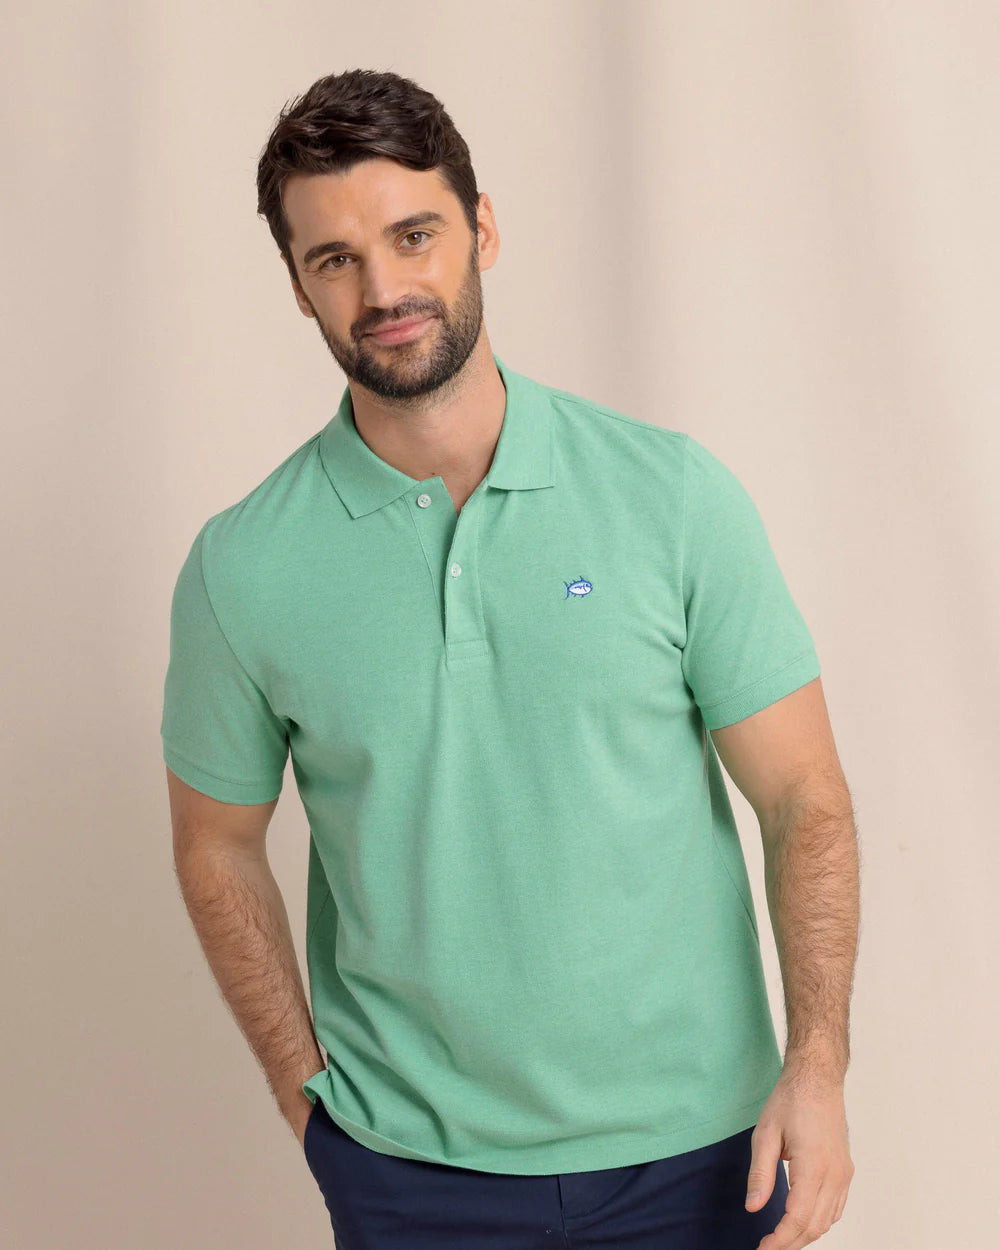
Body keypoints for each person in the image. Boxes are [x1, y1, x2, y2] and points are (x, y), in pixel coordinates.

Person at [162, 67, 859, 1250]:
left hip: (702, 1151)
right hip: (410, 1171)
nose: (383, 289)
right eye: (334, 258)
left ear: (481, 227)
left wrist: (818, 1063)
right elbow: (215, 844)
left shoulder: (670, 496)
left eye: (413, 235)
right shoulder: (243, 566)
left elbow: (805, 797)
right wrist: (307, 1099)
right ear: (297, 285)